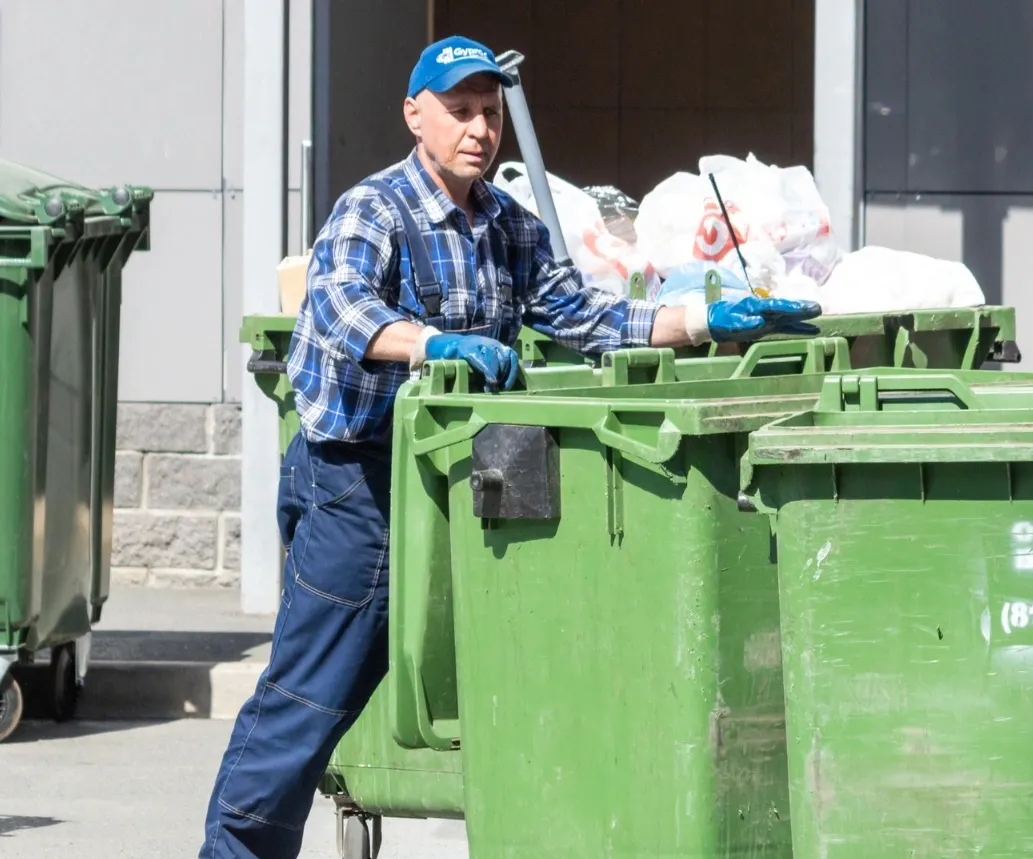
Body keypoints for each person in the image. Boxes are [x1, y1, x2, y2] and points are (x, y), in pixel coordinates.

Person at [198, 34, 820, 859]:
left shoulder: (506, 225)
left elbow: (588, 317)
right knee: (313, 695)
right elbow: (341, 308)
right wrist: (431, 343)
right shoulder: (372, 209)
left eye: (489, 112)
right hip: (359, 482)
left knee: (496, 679)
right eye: (459, 111)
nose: (478, 130)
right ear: (414, 114)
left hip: (462, 475)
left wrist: (705, 318)